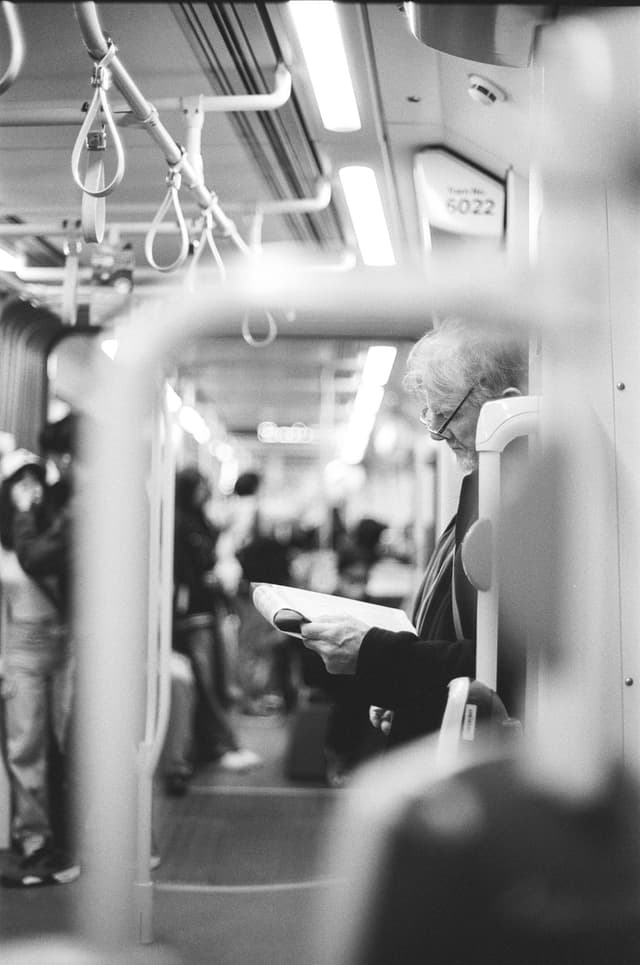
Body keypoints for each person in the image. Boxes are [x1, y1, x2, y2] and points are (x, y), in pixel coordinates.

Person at [300, 318, 528, 748]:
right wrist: (403, 689)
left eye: (447, 416)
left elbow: (514, 663)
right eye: (431, 416)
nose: (439, 435)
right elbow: (456, 636)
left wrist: (375, 655)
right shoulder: (484, 491)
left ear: (507, 408)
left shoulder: (529, 513)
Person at [0, 448, 78, 887]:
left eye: (35, 479)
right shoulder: (6, 539)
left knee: (68, 742)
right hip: (20, 650)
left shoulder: (52, 532)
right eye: (19, 480)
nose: (28, 487)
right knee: (25, 746)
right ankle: (34, 840)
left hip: (63, 643)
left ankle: (70, 836)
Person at [165, 466, 260, 795]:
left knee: (217, 679)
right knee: (205, 682)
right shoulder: (180, 523)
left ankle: (216, 743)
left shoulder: (198, 520)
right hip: (193, 614)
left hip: (207, 609)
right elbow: (188, 570)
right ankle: (218, 745)